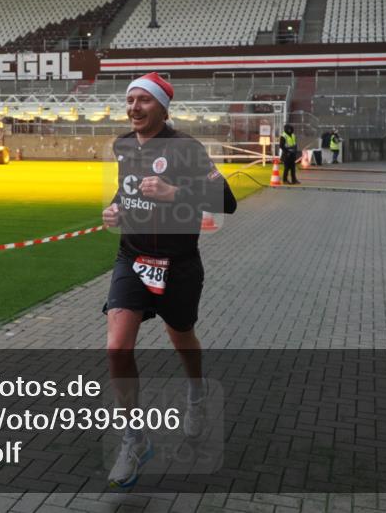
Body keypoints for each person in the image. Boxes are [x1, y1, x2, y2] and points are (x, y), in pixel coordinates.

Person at [101, 72, 238, 489]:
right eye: (130, 100)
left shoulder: (187, 149)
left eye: (144, 100)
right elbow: (126, 192)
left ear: (163, 107)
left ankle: (195, 393)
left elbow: (226, 201)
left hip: (178, 263)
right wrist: (113, 209)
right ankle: (134, 438)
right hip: (133, 258)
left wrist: (175, 193)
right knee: (117, 347)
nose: (134, 107)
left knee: (181, 337)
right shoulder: (122, 144)